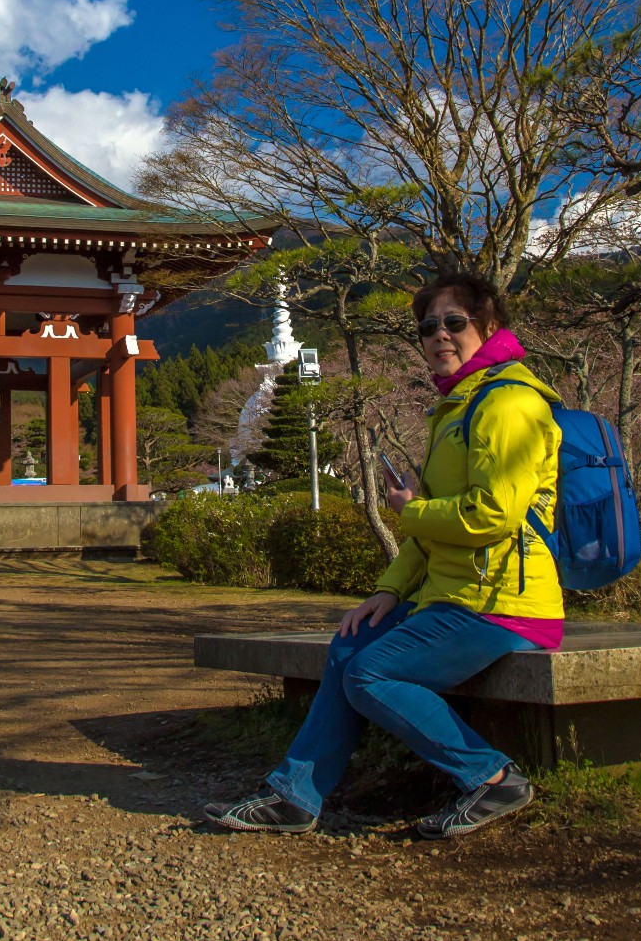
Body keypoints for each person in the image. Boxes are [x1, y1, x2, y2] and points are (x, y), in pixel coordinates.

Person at [206, 267, 564, 841]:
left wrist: (409, 509)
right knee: (351, 642)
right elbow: (432, 533)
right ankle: (295, 794)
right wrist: (388, 590)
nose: (439, 335)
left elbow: (490, 515)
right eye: (427, 327)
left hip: (501, 600)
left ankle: (491, 775)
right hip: (452, 594)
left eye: (454, 322)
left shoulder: (508, 404)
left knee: (371, 674)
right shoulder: (459, 407)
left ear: (490, 326)